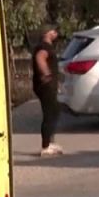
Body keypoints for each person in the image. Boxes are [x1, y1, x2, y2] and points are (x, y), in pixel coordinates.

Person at [32, 25, 63, 157]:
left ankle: (49, 142)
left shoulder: (45, 46)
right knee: (50, 113)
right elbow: (40, 58)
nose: (56, 33)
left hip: (48, 86)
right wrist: (46, 74)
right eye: (54, 31)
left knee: (54, 111)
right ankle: (45, 146)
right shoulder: (44, 47)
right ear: (47, 33)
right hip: (45, 86)